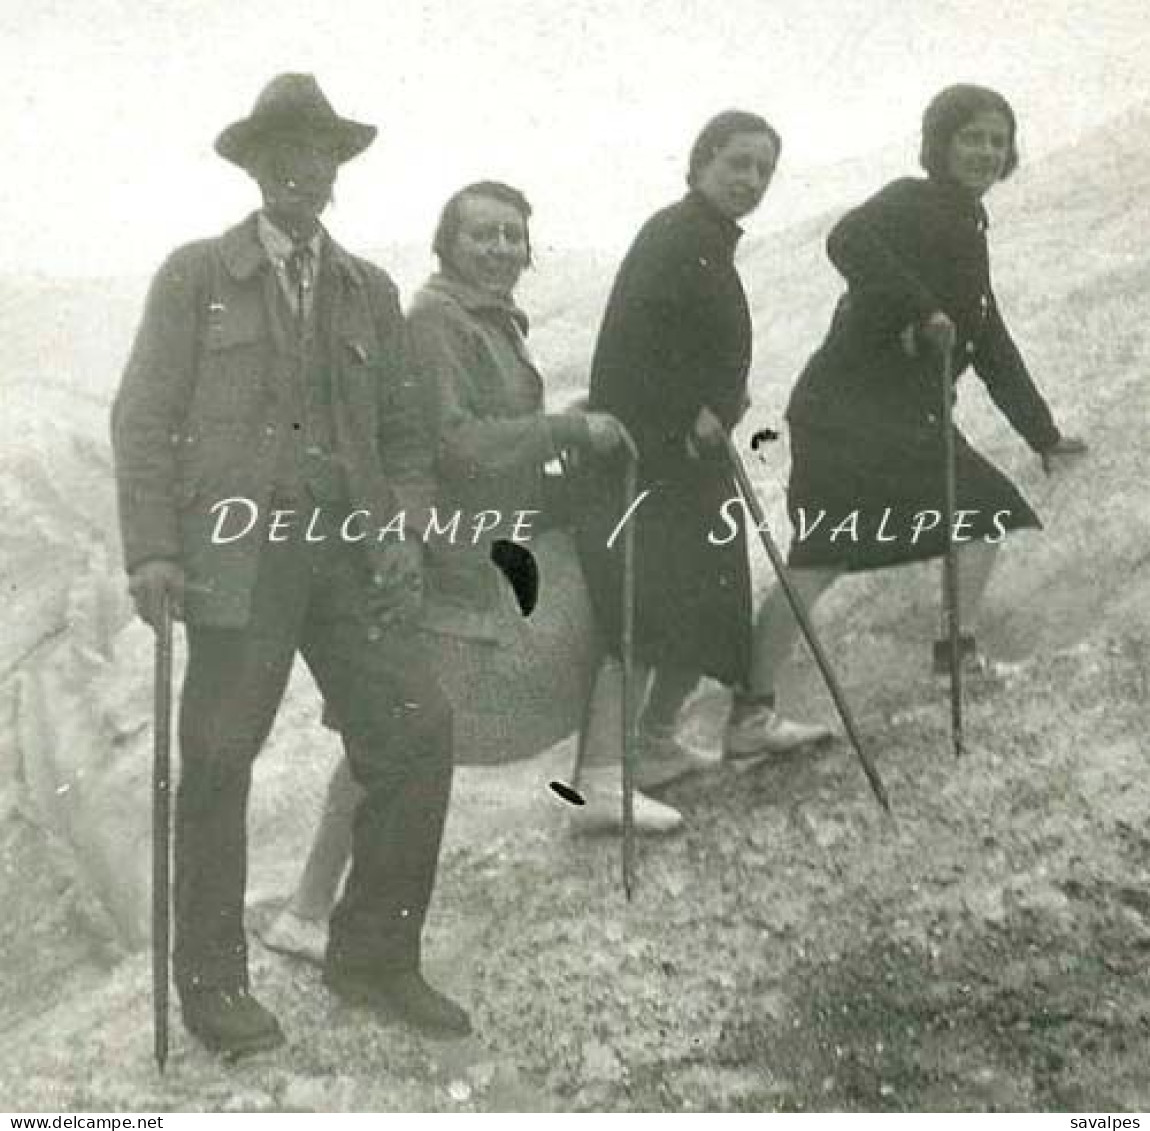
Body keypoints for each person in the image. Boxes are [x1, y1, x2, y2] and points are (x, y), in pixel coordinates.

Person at [111, 74, 470, 1056]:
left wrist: (403, 525)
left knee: (415, 731)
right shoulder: (195, 276)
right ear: (254, 166)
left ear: (336, 167)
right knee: (221, 763)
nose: (298, 169)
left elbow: (403, 437)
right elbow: (143, 422)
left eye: (316, 152)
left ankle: (375, 958)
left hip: (349, 559)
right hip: (235, 560)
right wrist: (150, 548)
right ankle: (213, 989)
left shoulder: (371, 291)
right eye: (279, 152)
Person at [261, 180, 684, 965]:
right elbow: (453, 441)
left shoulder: (483, 319)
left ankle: (599, 775)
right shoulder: (437, 321)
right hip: (450, 546)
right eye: (482, 234)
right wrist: (564, 426)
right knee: (385, 731)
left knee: (625, 587)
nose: (499, 248)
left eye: (512, 235)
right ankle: (308, 909)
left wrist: (576, 423)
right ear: (447, 243)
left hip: (494, 528)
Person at [744, 83, 1087, 711]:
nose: (986, 150)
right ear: (940, 144)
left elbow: (989, 342)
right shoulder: (914, 200)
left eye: (997, 139)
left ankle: (951, 656)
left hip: (894, 413)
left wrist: (1044, 435)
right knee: (826, 553)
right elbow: (846, 238)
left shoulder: (965, 225)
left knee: (978, 514)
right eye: (971, 137)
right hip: (852, 412)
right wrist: (921, 308)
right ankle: (754, 703)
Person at [575, 109, 833, 771]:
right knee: (660, 609)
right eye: (737, 162)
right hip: (662, 457)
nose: (751, 179)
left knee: (708, 602)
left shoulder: (707, 237)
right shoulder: (675, 233)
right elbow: (631, 348)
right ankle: (626, 757)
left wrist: (719, 403)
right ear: (701, 163)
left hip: (690, 452)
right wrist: (691, 414)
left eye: (764, 169)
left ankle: (661, 739)